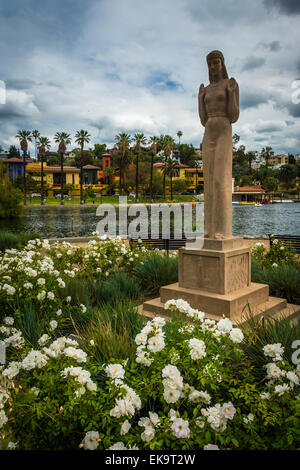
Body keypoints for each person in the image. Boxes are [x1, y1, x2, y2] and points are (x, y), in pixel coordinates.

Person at [198, 50, 239, 239]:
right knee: (208, 183)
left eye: (216, 63)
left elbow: (234, 116)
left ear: (222, 63)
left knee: (220, 181)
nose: (213, 67)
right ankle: (209, 230)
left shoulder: (230, 84)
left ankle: (223, 230)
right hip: (209, 131)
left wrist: (230, 95)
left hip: (223, 128)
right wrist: (199, 99)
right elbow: (202, 119)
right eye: (210, 64)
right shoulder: (205, 89)